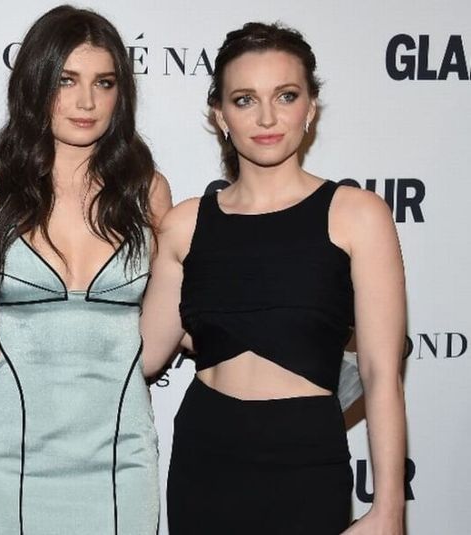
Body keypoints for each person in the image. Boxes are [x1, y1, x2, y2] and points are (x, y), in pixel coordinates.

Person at [139, 22, 407, 534]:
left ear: (310, 108)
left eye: (285, 96)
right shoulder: (186, 223)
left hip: (306, 459)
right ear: (219, 115)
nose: (266, 117)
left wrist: (389, 508)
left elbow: (379, 373)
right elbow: (146, 354)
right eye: (244, 100)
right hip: (205, 455)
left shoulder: (357, 215)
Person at [0, 6, 171, 534]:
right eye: (67, 80)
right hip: (11, 454)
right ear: (36, 84)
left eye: (104, 83)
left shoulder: (147, 191)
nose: (86, 102)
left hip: (123, 457)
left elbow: (187, 309)